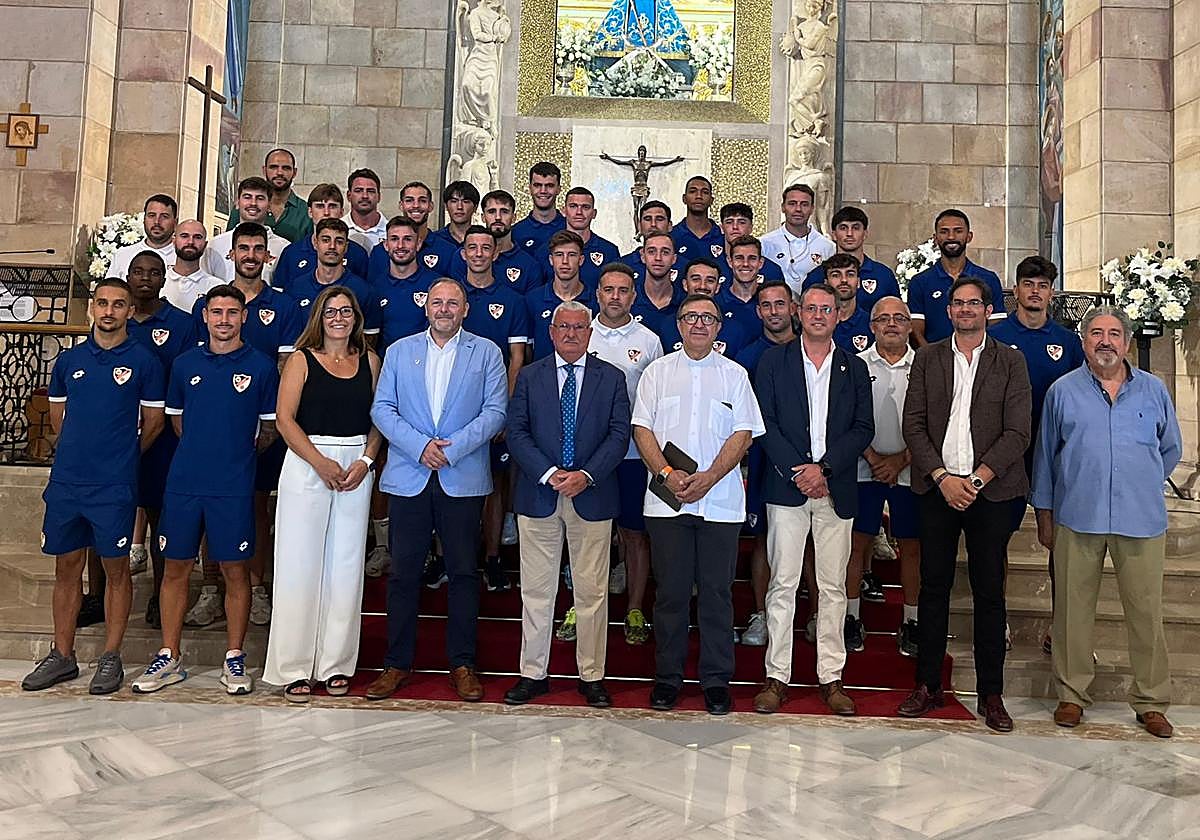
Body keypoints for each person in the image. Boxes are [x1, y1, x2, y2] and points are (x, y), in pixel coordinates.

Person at [1032, 305, 1181, 738]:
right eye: (1096, 333)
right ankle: (1071, 695)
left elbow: (1170, 448)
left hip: (1141, 518)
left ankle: (1151, 701)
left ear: (1127, 342)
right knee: (1073, 612)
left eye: (1114, 334)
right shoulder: (1063, 392)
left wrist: (1142, 480)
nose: (1105, 341)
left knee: (1146, 613)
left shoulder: (1153, 391)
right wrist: (1045, 514)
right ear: (1083, 341)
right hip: (1078, 516)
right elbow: (1046, 458)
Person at [133, 284, 280, 696]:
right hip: (183, 483)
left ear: (244, 317)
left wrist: (232, 457)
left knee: (235, 570)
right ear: (205, 317)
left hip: (233, 487)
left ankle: (234, 658)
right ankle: (169, 655)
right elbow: (177, 423)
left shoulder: (262, 367)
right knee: (176, 567)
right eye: (217, 313)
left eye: (232, 313)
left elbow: (268, 429)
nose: (224, 321)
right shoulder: (182, 365)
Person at [898, 276, 1031, 732]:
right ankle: (927, 684)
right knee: (932, 589)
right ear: (949, 310)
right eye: (958, 303)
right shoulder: (929, 357)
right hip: (937, 489)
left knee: (989, 592)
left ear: (988, 310)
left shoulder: (1011, 362)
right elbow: (912, 424)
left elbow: (1018, 432)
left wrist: (973, 480)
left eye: (974, 303)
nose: (965, 310)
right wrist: (942, 477)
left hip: (990, 492)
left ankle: (991, 694)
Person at [21, 279, 165, 695]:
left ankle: (110, 657)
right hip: (67, 483)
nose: (108, 311)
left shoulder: (144, 362)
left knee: (116, 570)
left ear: (128, 311)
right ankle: (62, 656)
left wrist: (120, 456)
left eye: (118, 304)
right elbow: (57, 419)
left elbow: (154, 423)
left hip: (115, 485)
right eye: (102, 303)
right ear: (92, 310)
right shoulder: (69, 361)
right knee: (66, 568)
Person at [366, 278, 507, 701]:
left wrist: (452, 449)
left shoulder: (487, 352)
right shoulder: (399, 351)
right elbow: (382, 409)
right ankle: (395, 664)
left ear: (466, 310)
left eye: (453, 303)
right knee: (403, 573)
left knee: (463, 572)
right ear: (426, 307)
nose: (444, 309)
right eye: (437, 302)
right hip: (409, 476)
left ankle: (462, 663)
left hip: (461, 477)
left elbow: (495, 411)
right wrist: (419, 446)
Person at [632, 294, 764, 715]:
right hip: (667, 501)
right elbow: (642, 430)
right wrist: (668, 475)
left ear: (719, 325)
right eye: (691, 317)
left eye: (708, 318)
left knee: (716, 594)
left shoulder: (735, 375)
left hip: (720, 502)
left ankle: (715, 680)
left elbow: (743, 433)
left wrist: (709, 477)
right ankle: (668, 678)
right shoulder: (657, 372)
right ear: (679, 324)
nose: (699, 324)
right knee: (670, 593)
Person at [752, 282, 873, 715]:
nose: (819, 315)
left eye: (828, 308)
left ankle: (831, 677)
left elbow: (863, 428)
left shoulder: (854, 368)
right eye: (812, 308)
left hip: (835, 488)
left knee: (832, 586)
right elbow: (763, 421)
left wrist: (824, 470)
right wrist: (799, 470)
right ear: (799, 313)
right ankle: (776, 676)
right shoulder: (774, 361)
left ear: (839, 315)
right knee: (782, 582)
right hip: (787, 487)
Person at [504, 301, 631, 707]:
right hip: (539, 493)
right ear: (552, 332)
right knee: (537, 590)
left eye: (580, 327)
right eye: (564, 327)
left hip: (591, 494)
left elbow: (618, 434)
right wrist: (549, 473)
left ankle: (591, 675)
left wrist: (586, 475)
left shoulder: (611, 378)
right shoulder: (530, 376)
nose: (572, 333)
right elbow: (516, 431)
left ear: (590, 333)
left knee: (592, 592)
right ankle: (532, 672)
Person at [264, 286, 383, 701]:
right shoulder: (301, 359)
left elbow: (379, 419)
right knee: (299, 564)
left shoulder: (369, 360)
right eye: (331, 311)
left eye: (345, 311)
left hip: (354, 467)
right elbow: (283, 419)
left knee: (346, 566)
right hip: (307, 462)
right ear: (320, 315)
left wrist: (365, 462)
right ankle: (294, 666)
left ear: (356, 317)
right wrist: (319, 462)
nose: (338, 318)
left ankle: (335, 663)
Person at [187, 223, 304, 629]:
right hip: (211, 430)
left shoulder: (284, 306)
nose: (251, 255)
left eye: (258, 248)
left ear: (268, 255)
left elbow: (286, 365)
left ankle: (254, 590)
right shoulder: (213, 302)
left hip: (263, 421)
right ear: (231, 254)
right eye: (244, 248)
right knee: (205, 507)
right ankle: (209, 588)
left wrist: (261, 420)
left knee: (255, 506)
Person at [989, 255, 1084, 652]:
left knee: (1060, 544)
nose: (1035, 291)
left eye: (1042, 285)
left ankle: (1059, 627)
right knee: (997, 540)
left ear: (1051, 292)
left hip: (1056, 456)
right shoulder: (997, 337)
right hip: (1007, 455)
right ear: (1016, 290)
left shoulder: (1068, 341)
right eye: (1028, 284)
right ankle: (999, 622)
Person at [587, 264, 663, 644]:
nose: (615, 296)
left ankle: (634, 608)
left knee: (635, 533)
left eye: (623, 290)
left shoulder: (649, 340)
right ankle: (585, 607)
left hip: (634, 454)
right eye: (608, 289)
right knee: (591, 532)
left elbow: (658, 402)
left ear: (634, 296)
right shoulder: (581, 332)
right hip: (589, 455)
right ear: (597, 293)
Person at [125, 252, 199, 629]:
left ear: (163, 278)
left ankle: (158, 595)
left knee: (159, 518)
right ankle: (97, 594)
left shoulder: (182, 324)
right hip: (117, 435)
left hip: (163, 437)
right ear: (128, 276)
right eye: (138, 272)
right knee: (109, 517)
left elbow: (187, 378)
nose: (145, 279)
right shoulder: (115, 320)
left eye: (154, 273)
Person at [458, 225, 530, 590]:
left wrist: (503, 408)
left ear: (495, 253)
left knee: (495, 484)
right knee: (454, 477)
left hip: (494, 404)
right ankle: (452, 556)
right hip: (457, 406)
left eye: (486, 248)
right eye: (473, 248)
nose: (479, 253)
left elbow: (516, 360)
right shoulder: (452, 295)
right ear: (463, 253)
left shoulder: (512, 300)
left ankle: (492, 557)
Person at [851, 296, 920, 657]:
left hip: (912, 471)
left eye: (899, 318)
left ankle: (911, 620)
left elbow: (933, 424)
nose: (891, 324)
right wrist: (876, 459)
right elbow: (847, 419)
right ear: (872, 326)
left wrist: (901, 461)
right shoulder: (857, 366)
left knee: (911, 547)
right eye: (883, 319)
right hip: (865, 468)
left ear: (910, 325)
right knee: (857, 543)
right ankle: (851, 617)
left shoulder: (925, 366)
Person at [733, 281, 797, 648]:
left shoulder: (811, 350)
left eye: (780, 304)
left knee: (805, 542)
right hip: (761, 458)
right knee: (763, 537)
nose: (774, 311)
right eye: (767, 306)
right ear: (758, 311)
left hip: (806, 461)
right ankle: (760, 612)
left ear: (793, 308)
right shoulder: (747, 356)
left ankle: (816, 612)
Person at [908, 209, 1006, 345]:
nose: (951, 237)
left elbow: (996, 327)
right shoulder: (920, 282)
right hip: (934, 362)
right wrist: (931, 360)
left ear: (969, 236)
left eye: (958, 231)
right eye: (944, 231)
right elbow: (915, 331)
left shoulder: (988, 279)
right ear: (935, 238)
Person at [284, 218, 379, 333]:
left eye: (339, 241)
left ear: (346, 247)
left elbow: (369, 340)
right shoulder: (295, 289)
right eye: (326, 240)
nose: (332, 246)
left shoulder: (364, 291)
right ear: (315, 243)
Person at [272, 184, 370, 290]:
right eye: (320, 206)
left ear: (341, 212)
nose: (326, 213)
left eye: (332, 206)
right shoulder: (291, 253)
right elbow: (279, 292)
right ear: (310, 212)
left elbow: (364, 292)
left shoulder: (358, 253)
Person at [804, 206, 901, 312]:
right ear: (834, 234)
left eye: (856, 228)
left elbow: (896, 313)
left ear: (865, 234)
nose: (849, 234)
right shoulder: (817, 276)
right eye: (843, 228)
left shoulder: (883, 275)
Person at [656, 257, 752, 357]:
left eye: (710, 281)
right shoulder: (666, 325)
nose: (702, 286)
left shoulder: (735, 330)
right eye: (696, 279)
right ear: (685, 284)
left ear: (717, 287)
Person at [525, 230, 599, 360]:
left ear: (581, 260)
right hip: (542, 377)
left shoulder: (596, 300)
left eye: (572, 255)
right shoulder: (532, 300)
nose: (565, 261)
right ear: (551, 260)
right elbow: (527, 349)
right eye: (559, 255)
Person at [203, 177, 291, 284]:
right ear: (237, 202)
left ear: (269, 205)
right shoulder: (215, 245)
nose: (253, 203)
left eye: (260, 198)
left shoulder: (284, 248)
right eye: (247, 197)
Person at [534, 187, 621, 289]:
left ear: (594, 213)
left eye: (585, 207)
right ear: (564, 211)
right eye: (573, 206)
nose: (579, 212)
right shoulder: (545, 250)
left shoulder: (609, 251)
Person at [760, 184, 836, 293]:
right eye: (792, 204)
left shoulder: (827, 246)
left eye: (804, 204)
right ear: (783, 207)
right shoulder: (765, 243)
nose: (798, 209)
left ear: (812, 209)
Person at [227, 148, 312, 243]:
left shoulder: (306, 212)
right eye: (273, 167)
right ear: (264, 170)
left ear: (294, 172)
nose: (279, 173)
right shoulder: (244, 208)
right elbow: (228, 241)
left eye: (286, 168)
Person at [473, 188, 546, 292]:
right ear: (483, 217)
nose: (498, 217)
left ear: (514, 217)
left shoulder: (530, 266)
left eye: (504, 212)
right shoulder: (470, 258)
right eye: (491, 211)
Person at [716, 234, 784, 337]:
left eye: (752, 258)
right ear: (730, 262)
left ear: (760, 263)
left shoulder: (770, 304)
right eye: (739, 258)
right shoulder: (716, 303)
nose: (746, 264)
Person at [629, 230, 686, 336]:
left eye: (665, 252)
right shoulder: (628, 300)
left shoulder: (685, 303)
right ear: (642, 257)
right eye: (651, 251)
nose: (658, 258)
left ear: (674, 259)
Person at [109, 195, 178, 279]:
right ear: (144, 219)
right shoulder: (123, 255)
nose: (157, 222)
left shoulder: (182, 257)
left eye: (164, 216)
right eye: (152, 215)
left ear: (175, 222)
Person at [715, 204, 785, 286]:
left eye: (741, 222)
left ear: (751, 227)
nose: (735, 227)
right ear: (722, 228)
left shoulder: (771, 270)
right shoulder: (711, 265)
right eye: (729, 222)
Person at [163, 220, 220, 311]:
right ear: (173, 241)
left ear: (205, 245)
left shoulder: (217, 287)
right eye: (184, 236)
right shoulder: (159, 281)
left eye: (197, 237)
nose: (190, 242)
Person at [823, 254, 874, 354]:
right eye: (836, 275)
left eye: (850, 274)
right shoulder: (816, 322)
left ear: (859, 282)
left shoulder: (872, 324)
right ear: (826, 283)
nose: (844, 280)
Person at [512, 161, 567, 252]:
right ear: (530, 188)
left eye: (549, 185)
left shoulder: (569, 228)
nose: (543, 191)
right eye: (537, 185)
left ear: (559, 189)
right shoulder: (516, 232)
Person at [671, 175, 724, 260]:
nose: (699, 196)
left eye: (705, 192)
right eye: (693, 191)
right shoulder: (671, 236)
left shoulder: (723, 236)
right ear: (684, 199)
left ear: (711, 200)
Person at [620, 199, 673, 281]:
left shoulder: (684, 266)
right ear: (639, 226)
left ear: (670, 226)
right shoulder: (622, 266)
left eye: (659, 219)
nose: (653, 224)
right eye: (648, 219)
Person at [344, 168, 387, 249]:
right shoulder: (339, 229)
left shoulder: (391, 231)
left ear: (379, 197)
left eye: (371, 191)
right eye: (358, 191)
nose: (365, 196)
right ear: (349, 196)